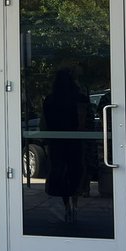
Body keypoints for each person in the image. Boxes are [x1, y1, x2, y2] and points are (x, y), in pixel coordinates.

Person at [42, 68, 87, 224]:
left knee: (61, 172)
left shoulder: (50, 100)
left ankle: (67, 206)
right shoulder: (79, 98)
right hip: (74, 141)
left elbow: (45, 123)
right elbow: (82, 121)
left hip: (57, 142)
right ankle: (75, 204)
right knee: (75, 171)